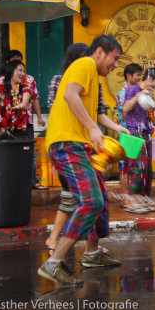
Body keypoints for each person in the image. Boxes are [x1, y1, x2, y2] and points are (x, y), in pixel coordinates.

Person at [37, 35, 125, 286]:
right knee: (91, 200)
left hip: (78, 145)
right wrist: (93, 129)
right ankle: (54, 262)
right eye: (115, 58)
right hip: (68, 145)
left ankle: (92, 253)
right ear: (100, 51)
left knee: (100, 197)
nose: (115, 65)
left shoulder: (93, 76)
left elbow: (93, 112)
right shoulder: (85, 64)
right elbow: (69, 95)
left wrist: (109, 132)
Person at [0, 50, 46, 189]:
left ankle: (31, 182)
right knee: (5, 156)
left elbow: (30, 98)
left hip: (23, 125)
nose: (22, 73)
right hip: (5, 126)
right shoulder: (0, 83)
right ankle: (7, 183)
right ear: (9, 65)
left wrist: (36, 115)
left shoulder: (27, 83)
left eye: (23, 68)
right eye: (19, 68)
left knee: (28, 154)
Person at [121, 67, 155, 214]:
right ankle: (132, 200)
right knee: (136, 167)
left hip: (146, 132)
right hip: (134, 133)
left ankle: (143, 199)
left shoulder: (151, 94)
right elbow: (125, 109)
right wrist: (140, 94)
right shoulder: (133, 89)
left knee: (146, 169)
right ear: (149, 78)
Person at [0, 60, 31, 139]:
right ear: (11, 72)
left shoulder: (25, 88)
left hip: (19, 132)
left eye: (23, 71)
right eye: (20, 70)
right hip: (2, 131)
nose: (23, 74)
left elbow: (25, 100)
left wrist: (20, 105)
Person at [115, 63, 144, 127]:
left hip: (139, 130)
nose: (140, 77)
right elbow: (125, 115)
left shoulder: (139, 91)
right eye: (138, 75)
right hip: (128, 131)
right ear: (128, 76)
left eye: (140, 75)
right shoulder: (122, 94)